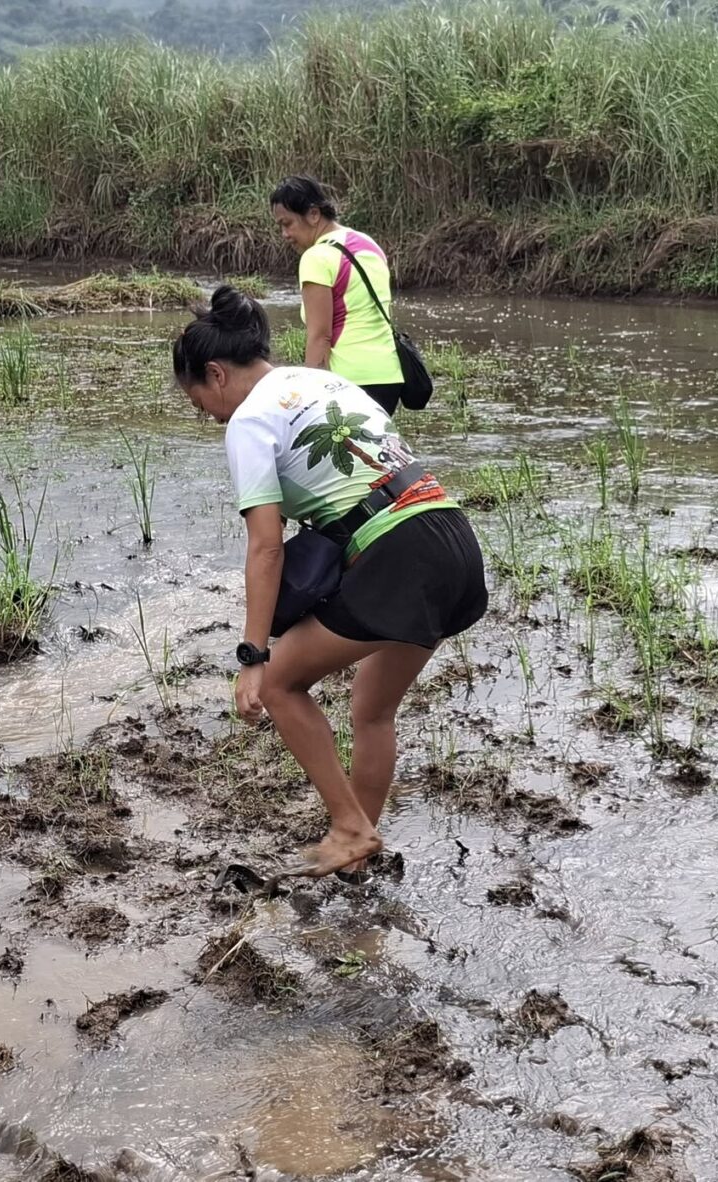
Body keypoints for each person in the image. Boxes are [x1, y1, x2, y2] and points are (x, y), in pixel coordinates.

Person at [172, 285, 488, 876]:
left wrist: (253, 656)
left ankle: (348, 827)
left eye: (200, 403)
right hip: (452, 539)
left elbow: (266, 548)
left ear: (215, 374)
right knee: (371, 708)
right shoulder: (321, 382)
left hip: (399, 554)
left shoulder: (249, 421)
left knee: (280, 685)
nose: (210, 417)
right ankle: (356, 850)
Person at [270, 176, 412, 413]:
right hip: (389, 376)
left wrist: (310, 399)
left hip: (348, 381)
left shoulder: (316, 257)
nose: (284, 234)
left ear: (313, 214)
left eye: (288, 223)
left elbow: (320, 336)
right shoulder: (369, 244)